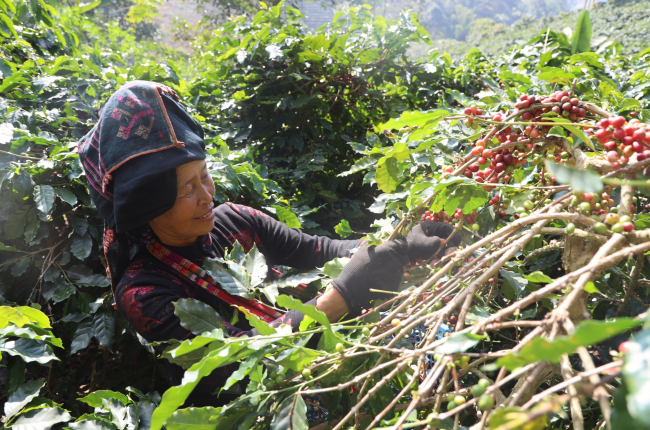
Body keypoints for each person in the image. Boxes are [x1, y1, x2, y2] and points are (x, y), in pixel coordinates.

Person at [78, 81, 459, 407]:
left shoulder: (236, 221)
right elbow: (236, 364)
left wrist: (398, 244)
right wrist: (339, 297)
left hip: (310, 357)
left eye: (204, 176)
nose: (207, 196)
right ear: (150, 208)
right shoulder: (143, 293)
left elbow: (318, 249)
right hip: (258, 402)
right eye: (186, 190)